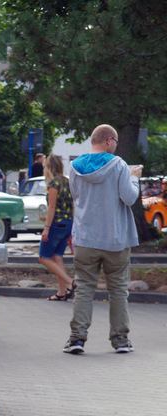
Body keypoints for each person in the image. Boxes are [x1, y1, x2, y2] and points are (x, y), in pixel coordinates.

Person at [63, 124, 142, 355]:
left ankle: (77, 339)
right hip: (115, 239)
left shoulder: (75, 167)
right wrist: (134, 178)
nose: (116, 146)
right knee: (118, 290)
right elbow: (129, 198)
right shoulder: (119, 165)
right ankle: (121, 341)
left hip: (85, 238)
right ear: (109, 141)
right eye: (115, 142)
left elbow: (77, 197)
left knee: (84, 289)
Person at [38, 155, 74, 301]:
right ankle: (61, 292)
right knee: (57, 257)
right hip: (68, 223)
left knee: (43, 257)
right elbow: (72, 205)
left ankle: (70, 282)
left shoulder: (54, 184)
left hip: (56, 224)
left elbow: (51, 207)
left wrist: (46, 228)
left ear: (48, 168)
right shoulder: (67, 181)